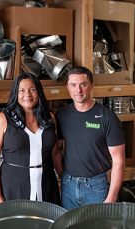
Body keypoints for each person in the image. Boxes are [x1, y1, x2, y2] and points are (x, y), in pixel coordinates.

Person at [56, 66, 125, 210]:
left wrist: (111, 198)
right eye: (73, 85)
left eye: (83, 84)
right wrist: (63, 176)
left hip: (97, 186)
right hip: (68, 185)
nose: (78, 90)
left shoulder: (107, 117)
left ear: (92, 86)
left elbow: (119, 160)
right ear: (67, 87)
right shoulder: (62, 115)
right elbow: (55, 149)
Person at [0, 73, 62, 205]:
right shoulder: (3, 119)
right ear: (16, 93)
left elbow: (55, 153)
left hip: (47, 184)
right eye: (22, 90)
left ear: (38, 92)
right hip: (14, 186)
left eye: (32, 90)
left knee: (47, 222)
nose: (27, 95)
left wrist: (64, 179)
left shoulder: (49, 118)